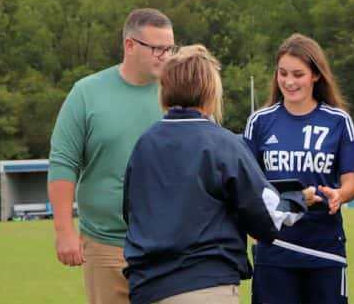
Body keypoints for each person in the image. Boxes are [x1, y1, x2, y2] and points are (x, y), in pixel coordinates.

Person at [122, 45, 319, 304]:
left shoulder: (144, 144)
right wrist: (299, 199)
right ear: (210, 90)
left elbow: (129, 211)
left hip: (146, 286)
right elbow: (267, 216)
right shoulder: (222, 143)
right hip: (205, 283)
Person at [48, 8, 175, 304]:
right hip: (106, 244)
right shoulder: (86, 93)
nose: (166, 56)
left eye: (169, 48)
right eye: (157, 48)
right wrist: (64, 230)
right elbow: (63, 163)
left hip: (169, 244)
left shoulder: (180, 92)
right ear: (130, 45)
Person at [243, 33, 354, 304]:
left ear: (316, 76)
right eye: (283, 73)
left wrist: (339, 195)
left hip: (324, 248)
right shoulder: (259, 122)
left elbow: (351, 183)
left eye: (298, 74)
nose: (289, 81)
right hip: (275, 248)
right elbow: (248, 186)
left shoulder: (339, 121)